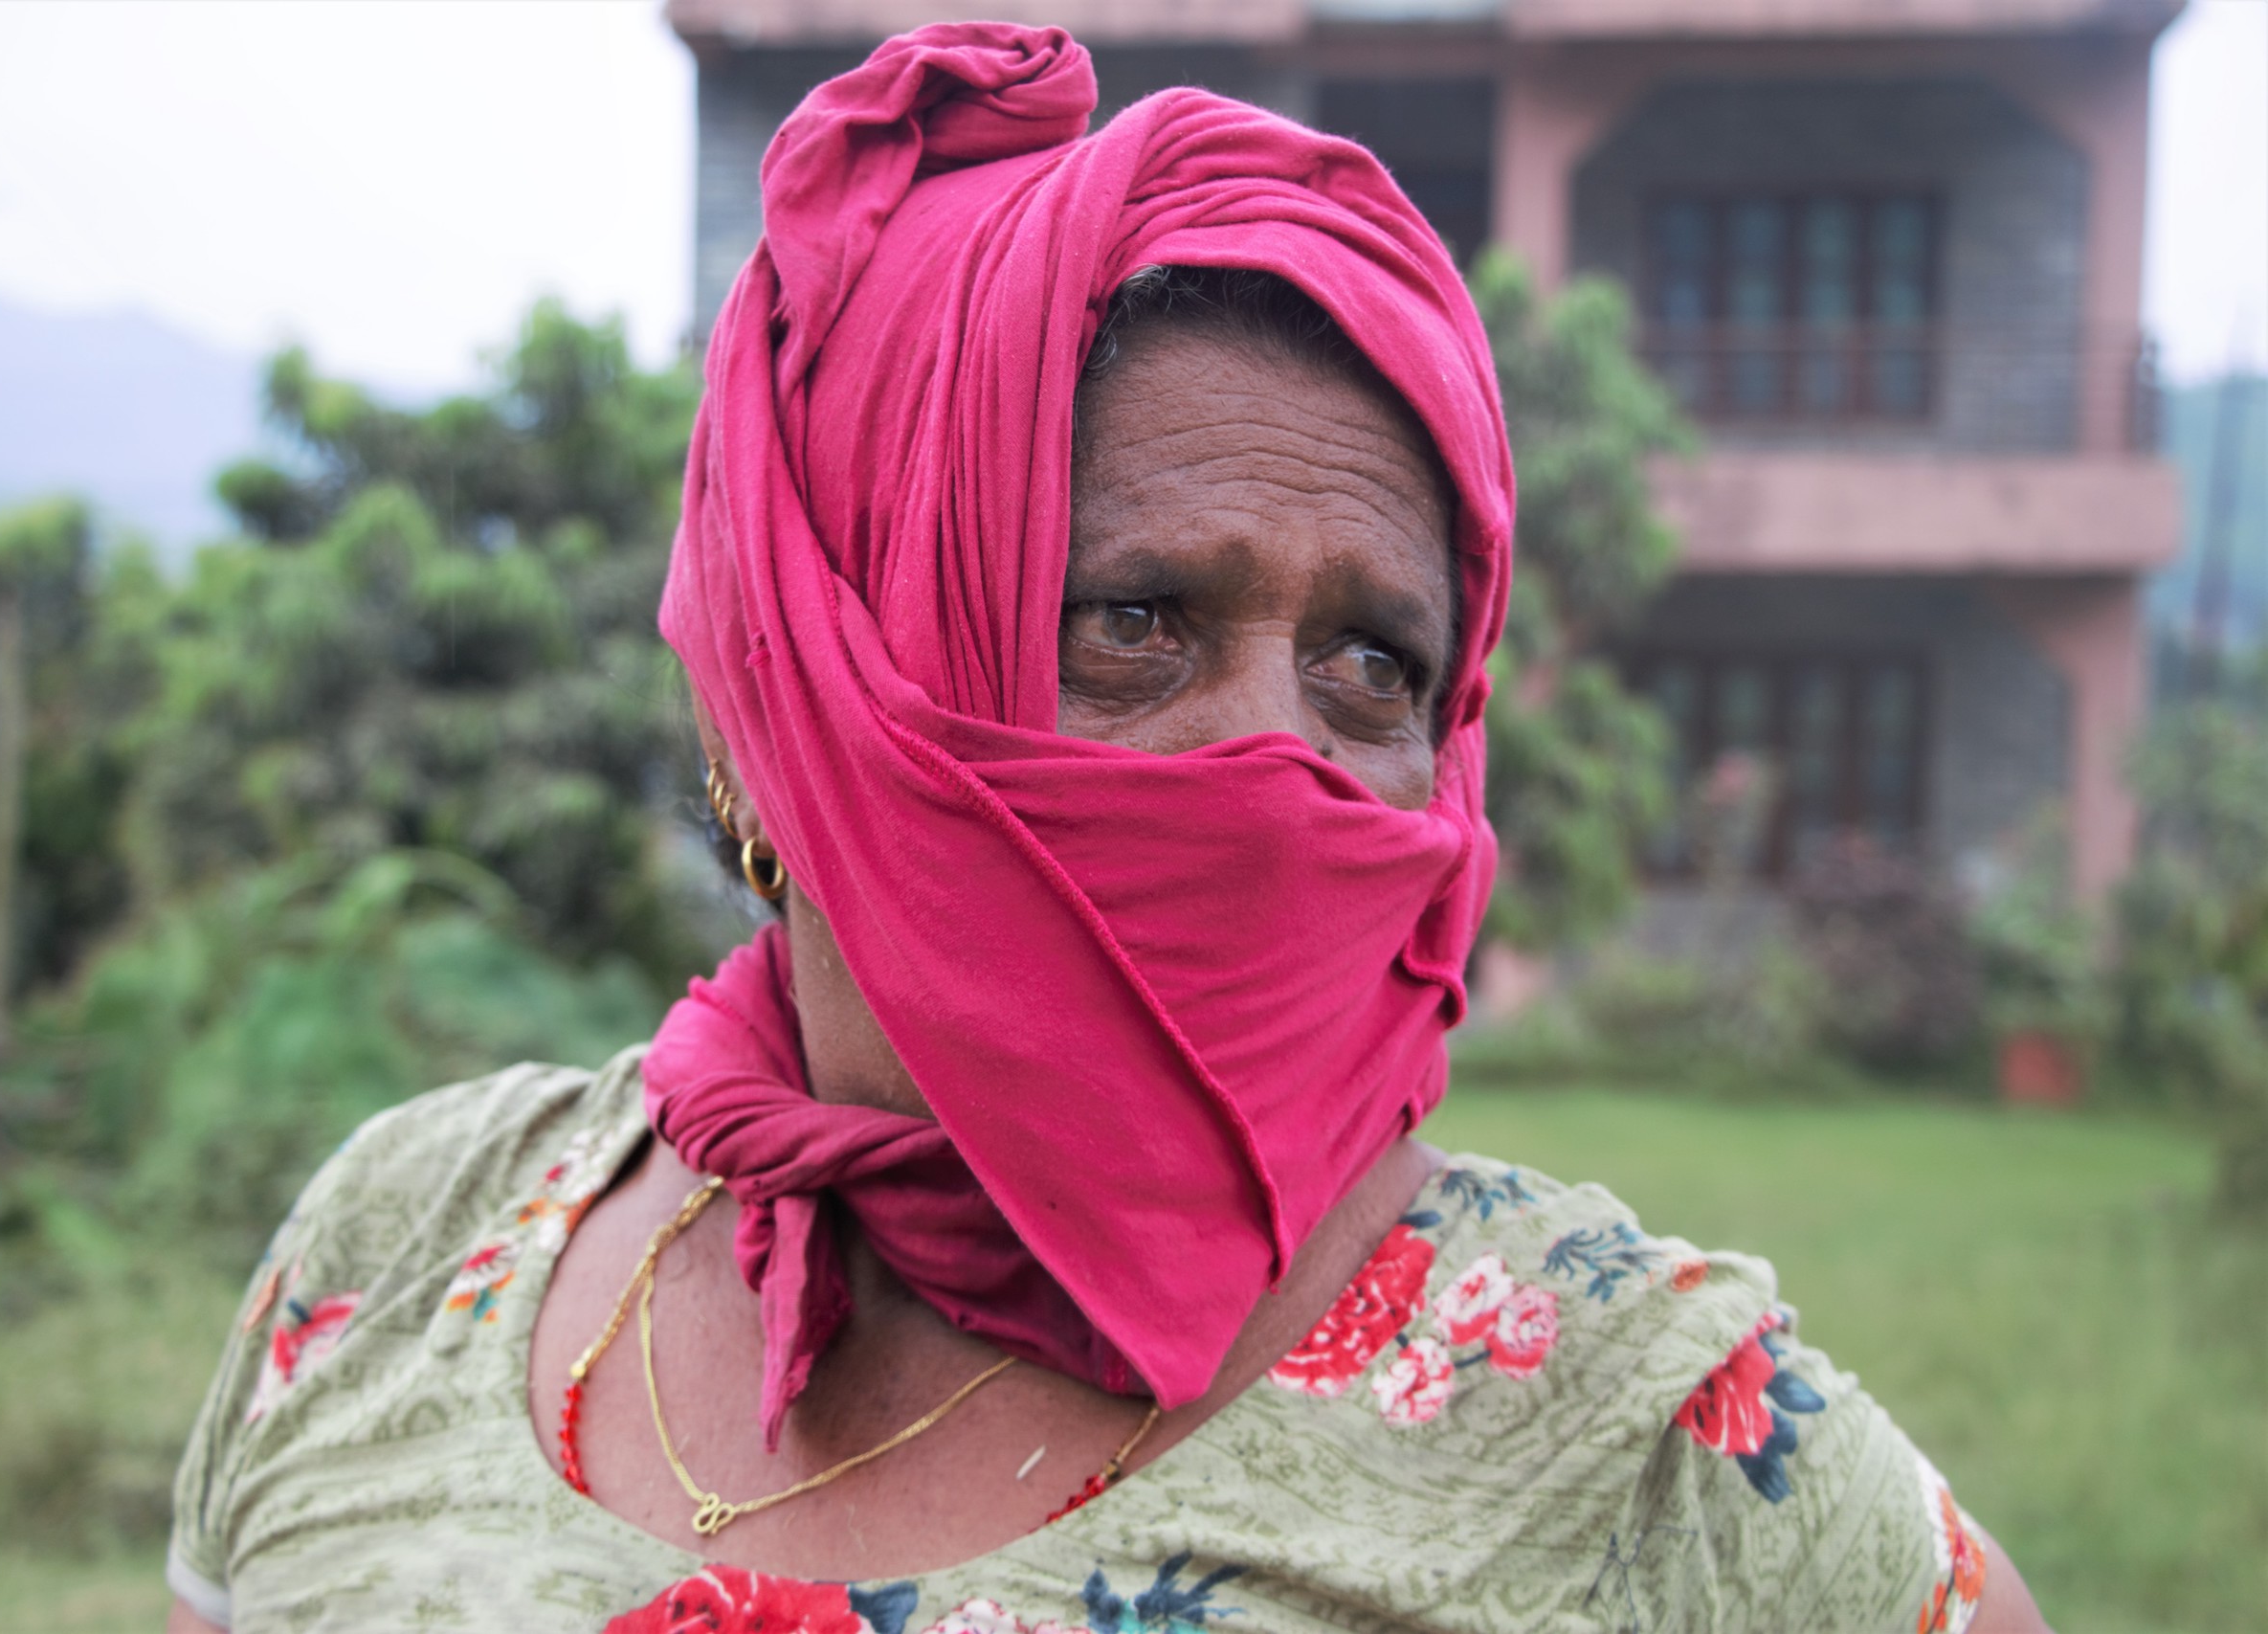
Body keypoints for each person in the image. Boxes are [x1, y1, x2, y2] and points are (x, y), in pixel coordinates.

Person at [166, 24, 2045, 1634]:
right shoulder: (398, 1244)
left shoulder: (1659, 1452)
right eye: (1132, 619)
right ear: (813, 686)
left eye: (1371, 663)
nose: (1271, 758)